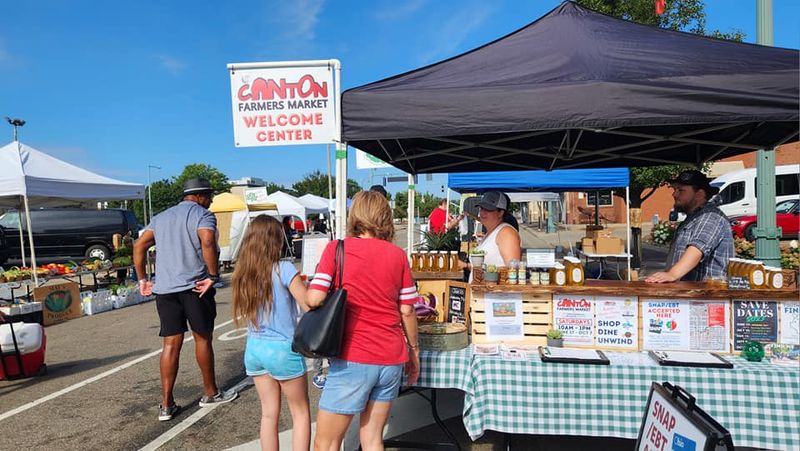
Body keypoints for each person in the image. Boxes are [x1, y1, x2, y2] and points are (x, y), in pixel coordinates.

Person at [308, 190, 420, 451]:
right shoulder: (397, 255)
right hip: (391, 358)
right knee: (372, 440)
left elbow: (314, 299)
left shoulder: (338, 249)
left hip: (353, 357)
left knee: (326, 442)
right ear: (385, 216)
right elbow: (407, 311)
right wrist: (413, 351)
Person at [133, 178, 237, 422]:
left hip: (166, 289)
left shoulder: (161, 217)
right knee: (202, 338)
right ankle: (210, 392)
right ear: (200, 196)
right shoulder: (202, 215)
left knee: (170, 344)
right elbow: (208, 240)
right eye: (209, 196)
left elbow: (139, 246)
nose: (211, 201)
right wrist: (213, 275)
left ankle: (166, 404)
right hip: (195, 286)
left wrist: (142, 280)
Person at [231, 215, 311, 451]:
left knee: (268, 415)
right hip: (283, 349)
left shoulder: (243, 273)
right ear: (275, 239)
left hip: (255, 349)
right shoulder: (284, 268)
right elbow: (307, 304)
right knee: (300, 413)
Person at [646, 170, 734, 283]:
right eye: (674, 190)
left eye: (681, 190)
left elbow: (697, 249)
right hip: (689, 296)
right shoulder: (692, 218)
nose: (674, 194)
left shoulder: (711, 217)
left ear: (699, 194)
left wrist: (672, 274)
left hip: (706, 297)